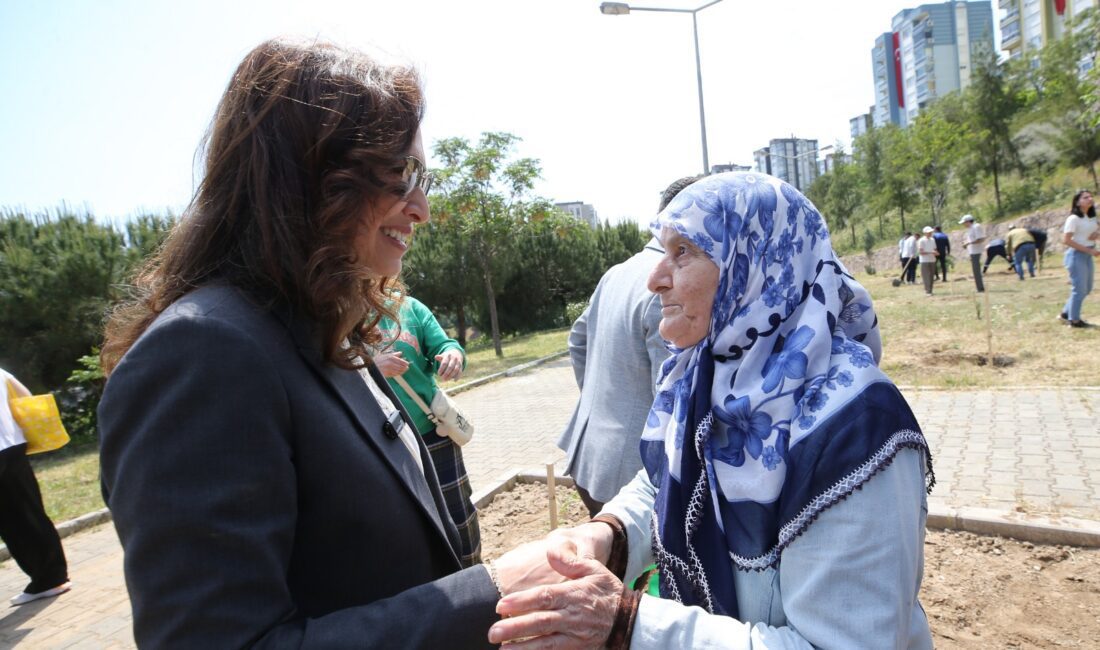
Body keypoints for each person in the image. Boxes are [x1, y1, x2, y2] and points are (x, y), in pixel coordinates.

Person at [96, 39, 534, 647]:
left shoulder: (318, 324)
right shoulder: (203, 354)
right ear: (310, 177)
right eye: (403, 173)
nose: (423, 208)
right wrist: (490, 593)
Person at [489, 172, 935, 648]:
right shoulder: (713, 372)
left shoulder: (854, 428)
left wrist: (627, 624)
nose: (656, 278)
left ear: (757, 263)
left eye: (684, 252)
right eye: (663, 251)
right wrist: (609, 536)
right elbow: (669, 480)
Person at [556, 177, 696, 517]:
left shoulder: (617, 271)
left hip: (588, 458)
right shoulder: (672, 284)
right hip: (633, 480)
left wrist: (607, 401)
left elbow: (577, 342)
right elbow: (674, 399)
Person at [373, 293, 481, 566]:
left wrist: (454, 354)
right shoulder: (337, 311)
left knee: (458, 513)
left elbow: (445, 344)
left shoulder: (407, 307)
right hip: (381, 443)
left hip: (432, 433)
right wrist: (370, 367)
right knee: (407, 523)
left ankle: (473, 579)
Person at [0, 367, 71, 606]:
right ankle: (51, 578)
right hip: (12, 444)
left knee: (11, 521)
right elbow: (25, 394)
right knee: (29, 513)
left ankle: (47, 579)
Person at [1060, 189, 1099, 328]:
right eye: (1085, 197)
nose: (1090, 199)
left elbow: (1090, 234)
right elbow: (1067, 240)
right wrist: (1088, 249)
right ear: (1077, 202)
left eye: (1091, 196)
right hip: (1076, 256)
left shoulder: (1091, 217)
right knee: (1079, 289)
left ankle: (1065, 313)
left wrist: (1096, 236)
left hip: (1088, 255)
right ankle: (1074, 320)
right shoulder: (1073, 218)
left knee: (1086, 288)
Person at [961, 213, 987, 291]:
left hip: (976, 251)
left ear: (968, 221)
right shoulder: (970, 229)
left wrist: (968, 243)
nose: (963, 224)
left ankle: (980, 288)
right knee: (975, 271)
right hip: (972, 251)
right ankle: (979, 287)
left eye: (964, 222)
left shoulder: (976, 227)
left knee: (976, 271)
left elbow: (980, 239)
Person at [918, 226, 939, 295]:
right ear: (925, 233)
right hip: (924, 261)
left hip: (932, 260)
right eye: (928, 232)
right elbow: (921, 252)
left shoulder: (933, 240)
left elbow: (935, 249)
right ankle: (927, 291)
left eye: (931, 232)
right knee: (926, 276)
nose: (930, 233)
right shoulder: (921, 240)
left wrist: (936, 253)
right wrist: (931, 252)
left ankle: (931, 290)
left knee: (931, 276)